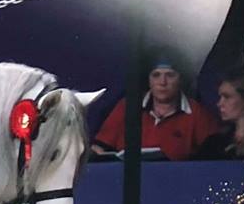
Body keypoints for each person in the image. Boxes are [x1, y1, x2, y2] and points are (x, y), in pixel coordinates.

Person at [91, 58, 219, 160]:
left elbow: (213, 158)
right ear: (148, 80)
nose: (162, 82)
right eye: (156, 75)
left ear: (180, 79)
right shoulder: (127, 107)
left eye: (170, 75)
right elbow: (99, 147)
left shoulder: (197, 113)